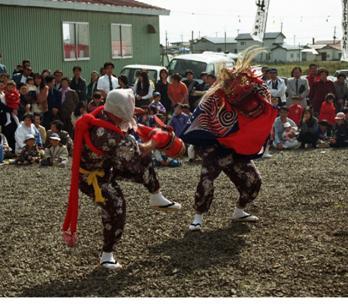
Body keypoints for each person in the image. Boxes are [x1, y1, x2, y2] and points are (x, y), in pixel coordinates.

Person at [61, 89, 181, 269]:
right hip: (92, 177)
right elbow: (139, 151)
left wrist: (135, 114)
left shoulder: (102, 112)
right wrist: (157, 139)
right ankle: (107, 255)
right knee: (116, 206)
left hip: (107, 165)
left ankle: (156, 195)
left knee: (143, 164)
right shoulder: (108, 136)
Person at [181, 47, 278, 231]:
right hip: (215, 147)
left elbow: (264, 105)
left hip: (236, 147)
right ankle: (198, 217)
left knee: (254, 180)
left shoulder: (253, 92)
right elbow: (199, 121)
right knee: (207, 179)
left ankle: (239, 211)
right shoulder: (213, 96)